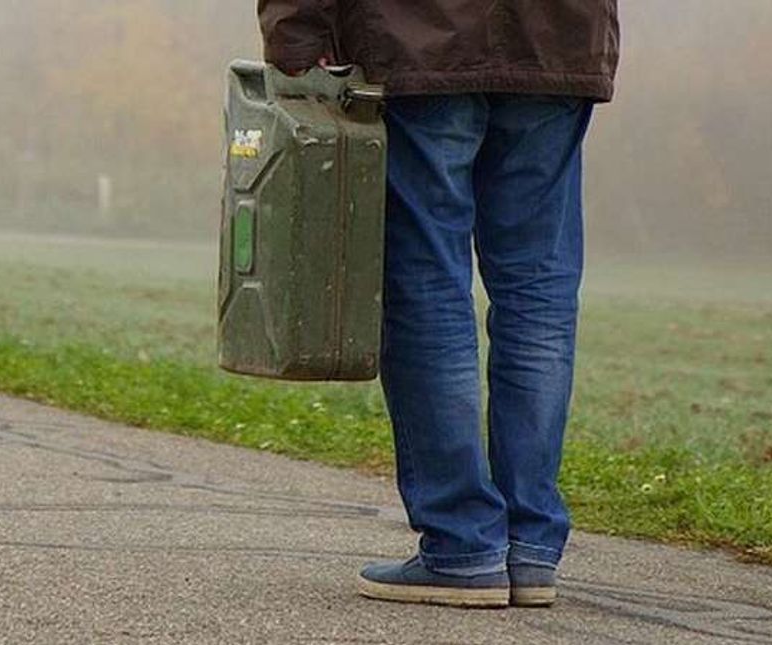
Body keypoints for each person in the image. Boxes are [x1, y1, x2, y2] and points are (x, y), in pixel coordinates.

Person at [258, 0, 620, 608]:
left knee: (427, 282)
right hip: (559, 33)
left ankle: (464, 545)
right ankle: (530, 548)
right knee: (539, 290)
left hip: (420, 35)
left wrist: (297, 30)